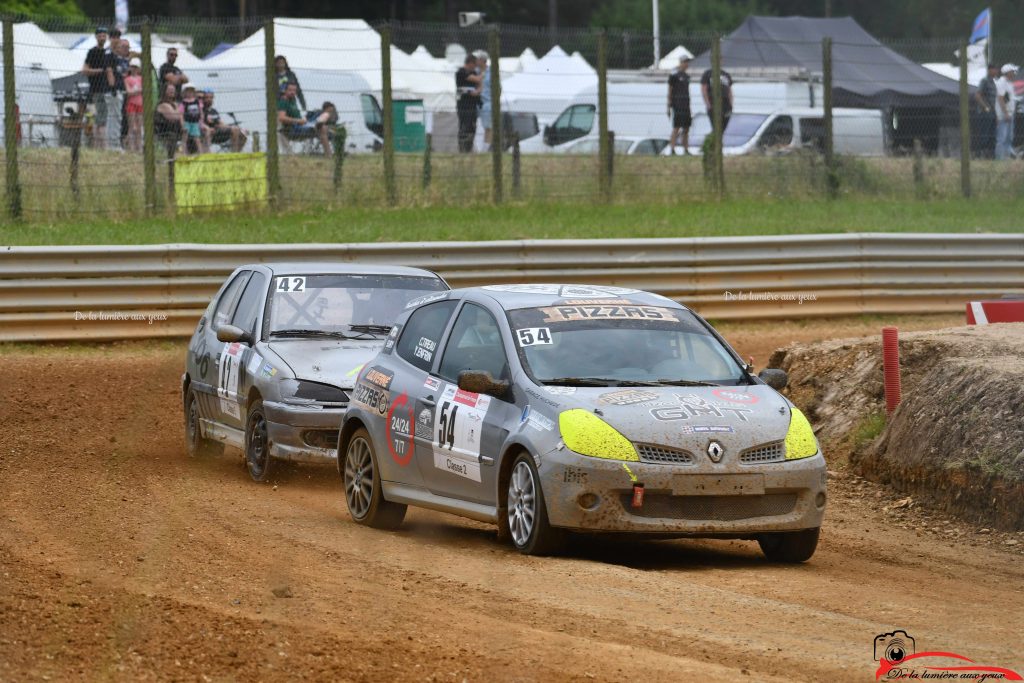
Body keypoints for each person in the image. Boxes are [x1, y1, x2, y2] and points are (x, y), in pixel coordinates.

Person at [278, 82, 333, 156]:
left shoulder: (293, 100)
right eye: (290, 90)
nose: (292, 92)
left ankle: (317, 123)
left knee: (324, 114)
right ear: (285, 90)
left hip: (302, 123)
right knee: (323, 128)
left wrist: (302, 120)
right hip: (294, 128)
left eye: (294, 90)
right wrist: (298, 121)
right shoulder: (283, 101)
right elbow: (281, 118)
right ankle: (329, 155)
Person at [81, 27, 114, 149]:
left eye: (104, 35)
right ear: (96, 37)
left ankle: (101, 145)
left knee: (104, 118)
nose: (102, 37)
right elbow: (84, 70)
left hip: (107, 90)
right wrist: (100, 71)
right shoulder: (92, 52)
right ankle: (99, 146)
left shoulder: (108, 52)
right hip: (96, 89)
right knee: (99, 118)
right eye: (100, 35)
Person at [455, 54, 480, 153]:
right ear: (470, 63)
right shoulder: (460, 72)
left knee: (472, 127)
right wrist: (484, 72)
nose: (475, 68)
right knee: (464, 126)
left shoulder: (474, 72)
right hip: (463, 105)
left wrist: (477, 91)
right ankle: (462, 148)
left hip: (473, 105)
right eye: (475, 65)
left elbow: (479, 84)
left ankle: (469, 148)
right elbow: (478, 80)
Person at [667, 56, 692, 154]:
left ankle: (685, 149)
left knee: (686, 128)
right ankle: (672, 149)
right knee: (676, 127)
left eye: (687, 62)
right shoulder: (674, 75)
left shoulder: (687, 77)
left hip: (686, 104)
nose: (686, 64)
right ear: (681, 63)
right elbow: (670, 90)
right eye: (685, 62)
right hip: (677, 104)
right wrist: (669, 105)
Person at [975, 63, 999, 159]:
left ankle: (990, 156)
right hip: (985, 113)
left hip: (993, 113)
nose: (997, 71)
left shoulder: (994, 82)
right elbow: (977, 95)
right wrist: (985, 107)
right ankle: (981, 155)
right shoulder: (984, 81)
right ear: (989, 70)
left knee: (992, 135)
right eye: (995, 69)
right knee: (984, 134)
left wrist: (996, 115)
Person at [109, 38, 130, 150]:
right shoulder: (113, 59)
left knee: (124, 119)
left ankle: (121, 142)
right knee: (116, 117)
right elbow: (111, 73)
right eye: (123, 47)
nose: (126, 49)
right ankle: (114, 143)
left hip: (126, 93)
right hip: (116, 91)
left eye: (128, 47)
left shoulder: (128, 61)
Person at [701, 66, 734, 135]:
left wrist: (731, 104)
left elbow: (729, 91)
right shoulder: (708, 74)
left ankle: (717, 143)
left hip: (726, 105)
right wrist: (708, 104)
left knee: (722, 128)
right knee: (716, 128)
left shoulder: (726, 74)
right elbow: (704, 89)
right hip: (713, 104)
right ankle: (713, 143)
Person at [995, 63, 1018, 160]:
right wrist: (1006, 113)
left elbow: (1008, 98)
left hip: (1009, 114)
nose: (1014, 73)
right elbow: (1001, 98)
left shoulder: (1009, 83)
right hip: (1004, 115)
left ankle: (1007, 157)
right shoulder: (1002, 82)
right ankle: (999, 159)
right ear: (1007, 72)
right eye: (1013, 71)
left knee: (1009, 138)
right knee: (1002, 138)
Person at [154, 82, 183, 156]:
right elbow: (174, 117)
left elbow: (180, 116)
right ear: (164, 91)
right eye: (169, 89)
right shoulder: (163, 104)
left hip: (176, 131)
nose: (172, 91)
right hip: (164, 132)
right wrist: (179, 108)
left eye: (173, 89)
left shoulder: (174, 104)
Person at [124, 57, 143, 152]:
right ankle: (131, 148)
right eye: (132, 67)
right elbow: (128, 92)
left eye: (136, 67)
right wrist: (138, 91)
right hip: (131, 104)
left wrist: (134, 91)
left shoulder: (141, 78)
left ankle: (139, 147)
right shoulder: (127, 79)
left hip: (140, 104)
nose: (134, 69)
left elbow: (143, 90)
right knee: (132, 127)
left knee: (139, 127)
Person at [179, 85, 205, 155]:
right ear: (184, 93)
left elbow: (201, 112)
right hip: (187, 122)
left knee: (197, 137)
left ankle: (201, 153)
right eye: (188, 91)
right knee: (185, 137)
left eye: (191, 91)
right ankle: (184, 153)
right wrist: (182, 125)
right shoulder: (183, 103)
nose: (190, 93)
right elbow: (181, 114)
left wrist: (201, 122)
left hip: (195, 122)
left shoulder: (197, 102)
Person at [477, 53, 493, 150]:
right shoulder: (475, 72)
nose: (476, 62)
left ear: (483, 61)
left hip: (487, 104)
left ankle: (485, 148)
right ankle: (477, 148)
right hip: (476, 103)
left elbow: (497, 88)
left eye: (478, 60)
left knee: (488, 127)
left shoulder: (491, 73)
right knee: (477, 127)